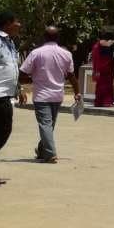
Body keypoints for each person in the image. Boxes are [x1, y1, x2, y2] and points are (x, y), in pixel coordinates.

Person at [19, 26, 76, 164]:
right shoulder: (66, 54)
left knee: (46, 125)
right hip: (57, 95)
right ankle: (42, 151)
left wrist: (32, 78)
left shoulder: (36, 53)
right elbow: (71, 75)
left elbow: (22, 73)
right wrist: (78, 92)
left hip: (41, 95)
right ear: (58, 38)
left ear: (44, 37)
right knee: (49, 125)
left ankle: (50, 154)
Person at [0, 13, 23, 187]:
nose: (19, 25)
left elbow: (11, 67)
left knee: (1, 132)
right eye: (16, 21)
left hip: (5, 93)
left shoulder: (9, 42)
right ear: (7, 23)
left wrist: (18, 88)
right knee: (3, 131)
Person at [90, 29, 114, 108]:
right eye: (112, 41)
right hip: (104, 69)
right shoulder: (99, 46)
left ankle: (100, 102)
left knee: (102, 86)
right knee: (104, 86)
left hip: (102, 70)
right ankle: (105, 102)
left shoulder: (99, 46)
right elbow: (105, 59)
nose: (112, 43)